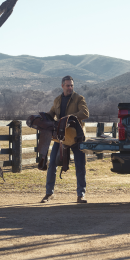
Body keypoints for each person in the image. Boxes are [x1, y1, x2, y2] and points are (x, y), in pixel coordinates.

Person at [41, 75, 89, 204]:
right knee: (52, 165)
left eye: (71, 85)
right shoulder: (57, 100)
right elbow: (52, 114)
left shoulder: (79, 98)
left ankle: (81, 195)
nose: (70, 88)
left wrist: (69, 118)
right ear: (62, 86)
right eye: (67, 85)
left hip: (76, 137)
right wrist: (43, 118)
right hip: (60, 137)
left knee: (80, 166)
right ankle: (49, 193)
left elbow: (85, 113)